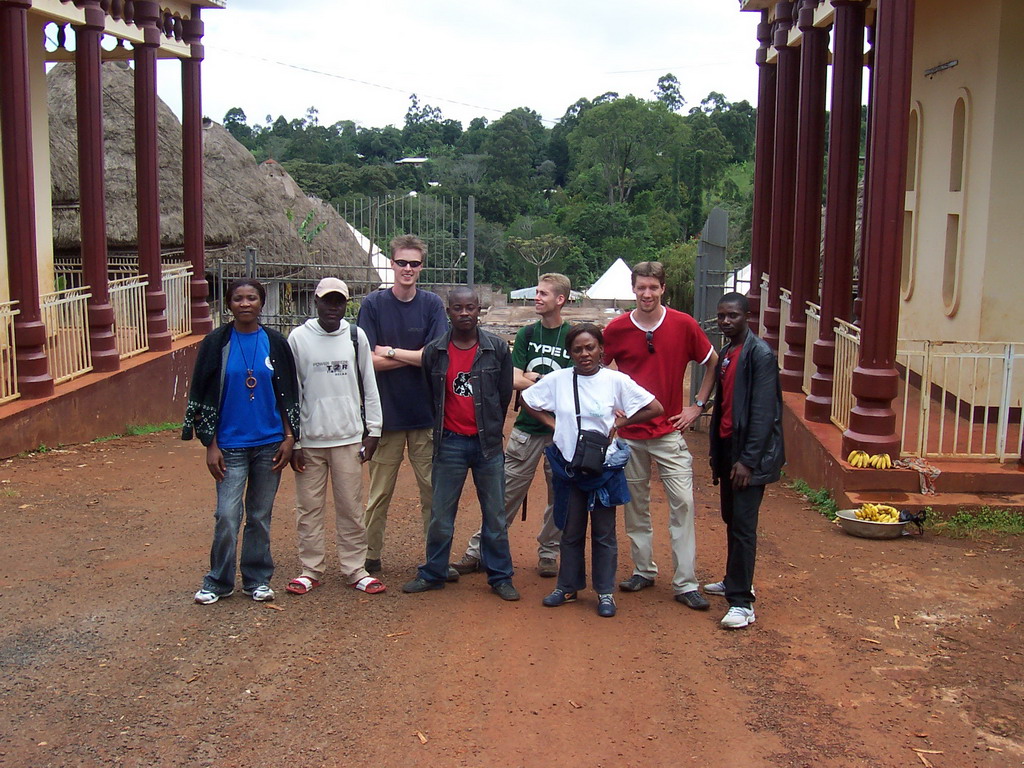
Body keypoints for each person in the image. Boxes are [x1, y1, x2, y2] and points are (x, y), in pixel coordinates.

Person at [522, 324, 663, 618]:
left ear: (601, 349)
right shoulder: (559, 380)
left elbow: (654, 407)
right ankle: (567, 587)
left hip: (603, 470)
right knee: (570, 530)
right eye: (577, 349)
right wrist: (554, 426)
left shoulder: (616, 381)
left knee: (604, 533)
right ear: (570, 353)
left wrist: (620, 425)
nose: (585, 354)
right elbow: (528, 400)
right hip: (569, 467)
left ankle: (605, 592)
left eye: (590, 348)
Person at [602, 261, 719, 610]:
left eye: (653, 287)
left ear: (663, 288)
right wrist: (611, 408)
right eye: (641, 288)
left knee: (682, 502)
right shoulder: (618, 329)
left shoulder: (683, 324)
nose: (647, 294)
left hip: (669, 429)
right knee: (635, 503)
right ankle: (643, 569)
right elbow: (597, 369)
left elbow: (712, 362)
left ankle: (686, 581)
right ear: (633, 289)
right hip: (632, 433)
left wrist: (697, 405)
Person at [183, 278, 299, 605]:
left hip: (270, 446)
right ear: (229, 304)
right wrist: (211, 444)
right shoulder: (216, 343)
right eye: (238, 298)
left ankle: (257, 579)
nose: (245, 304)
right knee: (226, 515)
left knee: (260, 516)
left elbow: (289, 393)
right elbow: (202, 392)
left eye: (251, 298)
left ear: (261, 303)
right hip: (229, 446)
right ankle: (218, 581)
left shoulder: (276, 343)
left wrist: (290, 437)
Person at [451, 273, 572, 578]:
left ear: (560, 299)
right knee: (503, 494)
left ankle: (548, 552)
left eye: (544, 293)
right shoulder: (528, 335)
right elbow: (512, 377)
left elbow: (576, 383)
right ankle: (478, 550)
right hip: (528, 427)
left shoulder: (573, 336)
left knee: (560, 496)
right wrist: (543, 382)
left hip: (563, 430)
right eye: (537, 292)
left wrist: (533, 382)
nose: (537, 297)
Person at [402, 287, 520, 601]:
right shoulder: (435, 351)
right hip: (450, 443)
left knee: (494, 515)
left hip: (488, 445)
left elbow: (503, 393)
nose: (464, 313)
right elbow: (431, 394)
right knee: (441, 515)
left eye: (470, 307)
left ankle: (500, 577)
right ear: (448, 311)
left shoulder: (495, 348)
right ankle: (434, 573)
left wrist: (491, 428)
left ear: (479, 309)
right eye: (458, 308)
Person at [286, 277, 386, 596]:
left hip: (348, 438)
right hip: (311, 442)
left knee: (351, 507)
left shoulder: (355, 337)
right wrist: (295, 441)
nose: (333, 307)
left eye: (339, 302)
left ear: (346, 304)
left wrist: (374, 431)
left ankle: (355, 568)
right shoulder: (299, 338)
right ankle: (310, 568)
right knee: (309, 508)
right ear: (315, 302)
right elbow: (292, 392)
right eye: (327, 301)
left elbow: (369, 386)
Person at [357, 235, 449, 574]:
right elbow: (365, 360)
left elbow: (436, 356)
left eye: (414, 263)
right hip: (384, 416)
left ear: (421, 267)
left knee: (430, 492)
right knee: (379, 493)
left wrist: (391, 351)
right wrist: (415, 357)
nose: (407, 269)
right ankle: (369, 556)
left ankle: (434, 558)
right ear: (392, 264)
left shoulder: (432, 305)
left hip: (424, 414)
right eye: (402, 262)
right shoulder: (373, 305)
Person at [707, 292, 784, 629]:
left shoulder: (760, 355)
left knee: (743, 525)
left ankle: (742, 601)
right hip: (728, 448)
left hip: (748, 455)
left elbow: (764, 413)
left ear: (747, 316)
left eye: (733, 316)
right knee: (730, 517)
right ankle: (733, 578)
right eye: (722, 316)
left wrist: (749, 461)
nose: (726, 321)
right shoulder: (727, 353)